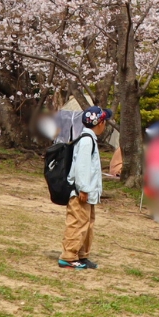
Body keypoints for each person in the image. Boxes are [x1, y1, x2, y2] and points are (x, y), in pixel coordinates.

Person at [59, 106, 111, 270]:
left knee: (87, 224)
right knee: (77, 223)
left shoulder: (89, 139)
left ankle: (82, 254)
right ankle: (69, 256)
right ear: (100, 123)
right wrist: (83, 188)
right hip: (81, 192)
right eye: (105, 121)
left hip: (88, 193)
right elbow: (82, 166)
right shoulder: (87, 141)